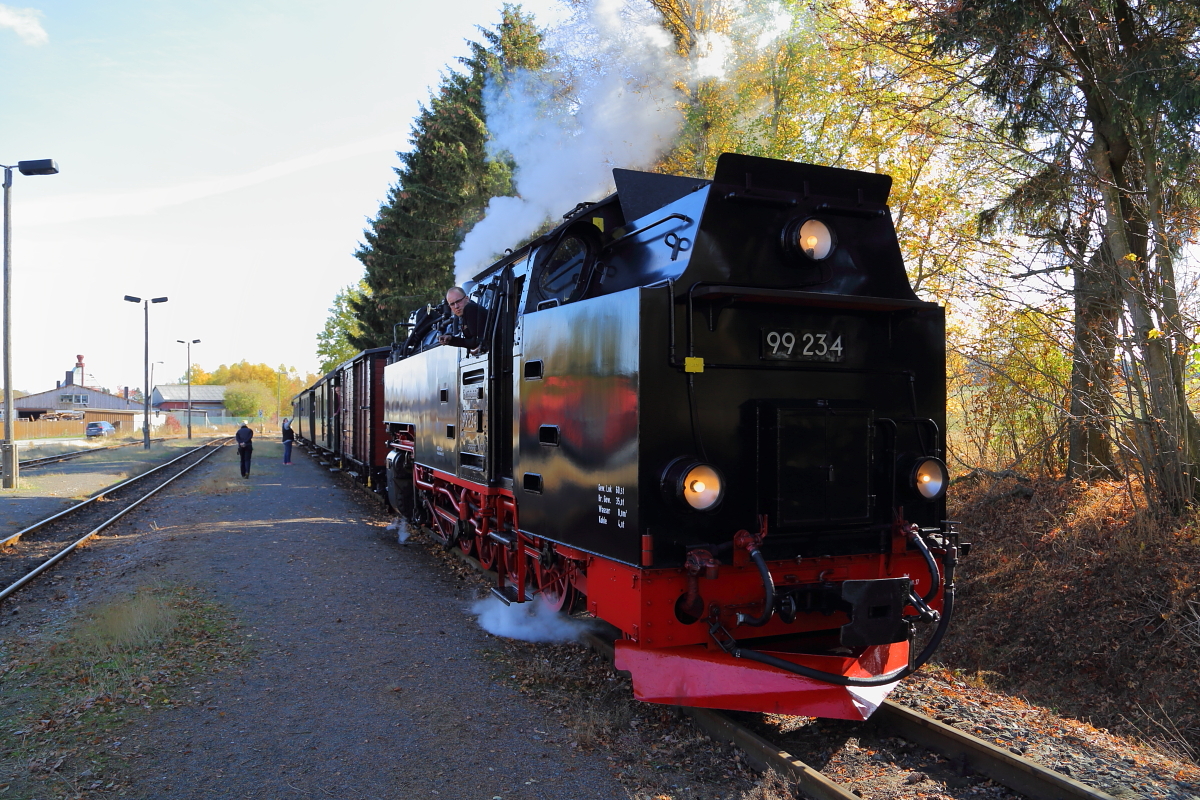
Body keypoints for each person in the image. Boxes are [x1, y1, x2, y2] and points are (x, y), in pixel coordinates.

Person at [437, 285, 486, 350]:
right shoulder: (465, 316)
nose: (456, 306)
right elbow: (472, 342)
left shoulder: (471, 308)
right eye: (452, 304)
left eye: (458, 301)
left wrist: (452, 340)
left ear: (467, 299)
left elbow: (476, 342)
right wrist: (451, 339)